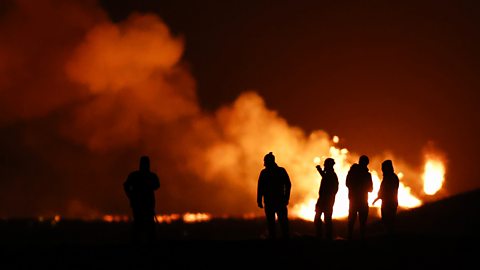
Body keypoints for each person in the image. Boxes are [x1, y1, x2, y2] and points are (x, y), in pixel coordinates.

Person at [124, 155, 160, 244]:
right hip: (140, 206)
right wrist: (131, 196)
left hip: (145, 206)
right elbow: (126, 186)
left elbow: (157, 185)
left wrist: (131, 195)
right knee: (140, 227)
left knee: (145, 227)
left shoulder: (136, 176)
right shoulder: (141, 176)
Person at [257, 152, 292, 239]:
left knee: (273, 222)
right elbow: (288, 185)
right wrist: (286, 197)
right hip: (278, 201)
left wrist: (259, 200)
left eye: (265, 161)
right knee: (281, 222)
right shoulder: (280, 171)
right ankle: (284, 239)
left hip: (271, 201)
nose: (264, 163)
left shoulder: (265, 173)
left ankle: (276, 239)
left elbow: (260, 187)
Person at [346, 155, 373, 240]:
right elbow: (370, 189)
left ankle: (350, 238)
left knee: (352, 221)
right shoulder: (367, 175)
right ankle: (361, 239)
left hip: (354, 200)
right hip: (361, 201)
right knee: (361, 223)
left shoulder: (352, 172)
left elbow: (347, 184)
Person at [372, 160, 400, 236]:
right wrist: (377, 198)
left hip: (389, 203)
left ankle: (389, 236)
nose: (382, 169)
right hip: (390, 202)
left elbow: (386, 191)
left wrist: (378, 197)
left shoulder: (390, 178)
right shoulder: (391, 177)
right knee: (387, 220)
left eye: (383, 168)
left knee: (388, 220)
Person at [314, 158, 339, 240]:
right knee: (326, 219)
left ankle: (322, 237)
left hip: (325, 200)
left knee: (321, 219)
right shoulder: (331, 174)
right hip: (326, 200)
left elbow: (325, 178)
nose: (324, 165)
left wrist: (319, 170)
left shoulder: (330, 175)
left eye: (325, 164)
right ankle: (326, 237)